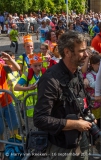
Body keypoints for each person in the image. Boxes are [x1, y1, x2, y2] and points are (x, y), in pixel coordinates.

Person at [33, 31, 91, 160]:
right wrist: (75, 124)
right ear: (67, 52)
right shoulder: (50, 79)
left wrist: (87, 114)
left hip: (80, 140)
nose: (86, 54)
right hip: (61, 146)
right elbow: (40, 119)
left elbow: (81, 99)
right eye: (81, 50)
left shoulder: (77, 72)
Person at [0, 52, 20, 160]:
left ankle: (14, 145)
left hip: (7, 102)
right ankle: (2, 149)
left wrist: (10, 60)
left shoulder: (2, 66)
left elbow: (17, 68)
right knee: (0, 129)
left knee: (14, 125)